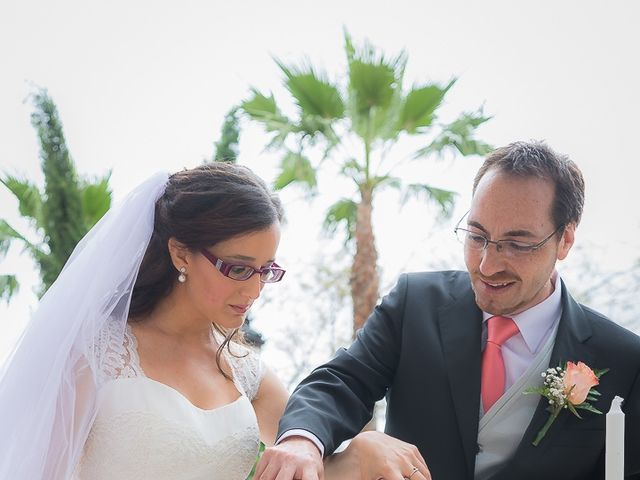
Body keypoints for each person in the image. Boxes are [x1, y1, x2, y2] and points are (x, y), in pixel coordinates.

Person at [255, 141, 640, 480]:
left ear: (565, 241)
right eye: (477, 236)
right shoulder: (414, 302)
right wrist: (303, 441)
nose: (488, 265)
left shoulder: (623, 359)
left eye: (517, 244)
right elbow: (343, 382)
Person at [0, 162, 290, 479]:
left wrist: (321, 446)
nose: (254, 290)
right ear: (180, 254)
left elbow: (318, 445)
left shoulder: (248, 373)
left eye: (267, 271)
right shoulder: (95, 353)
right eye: (238, 269)